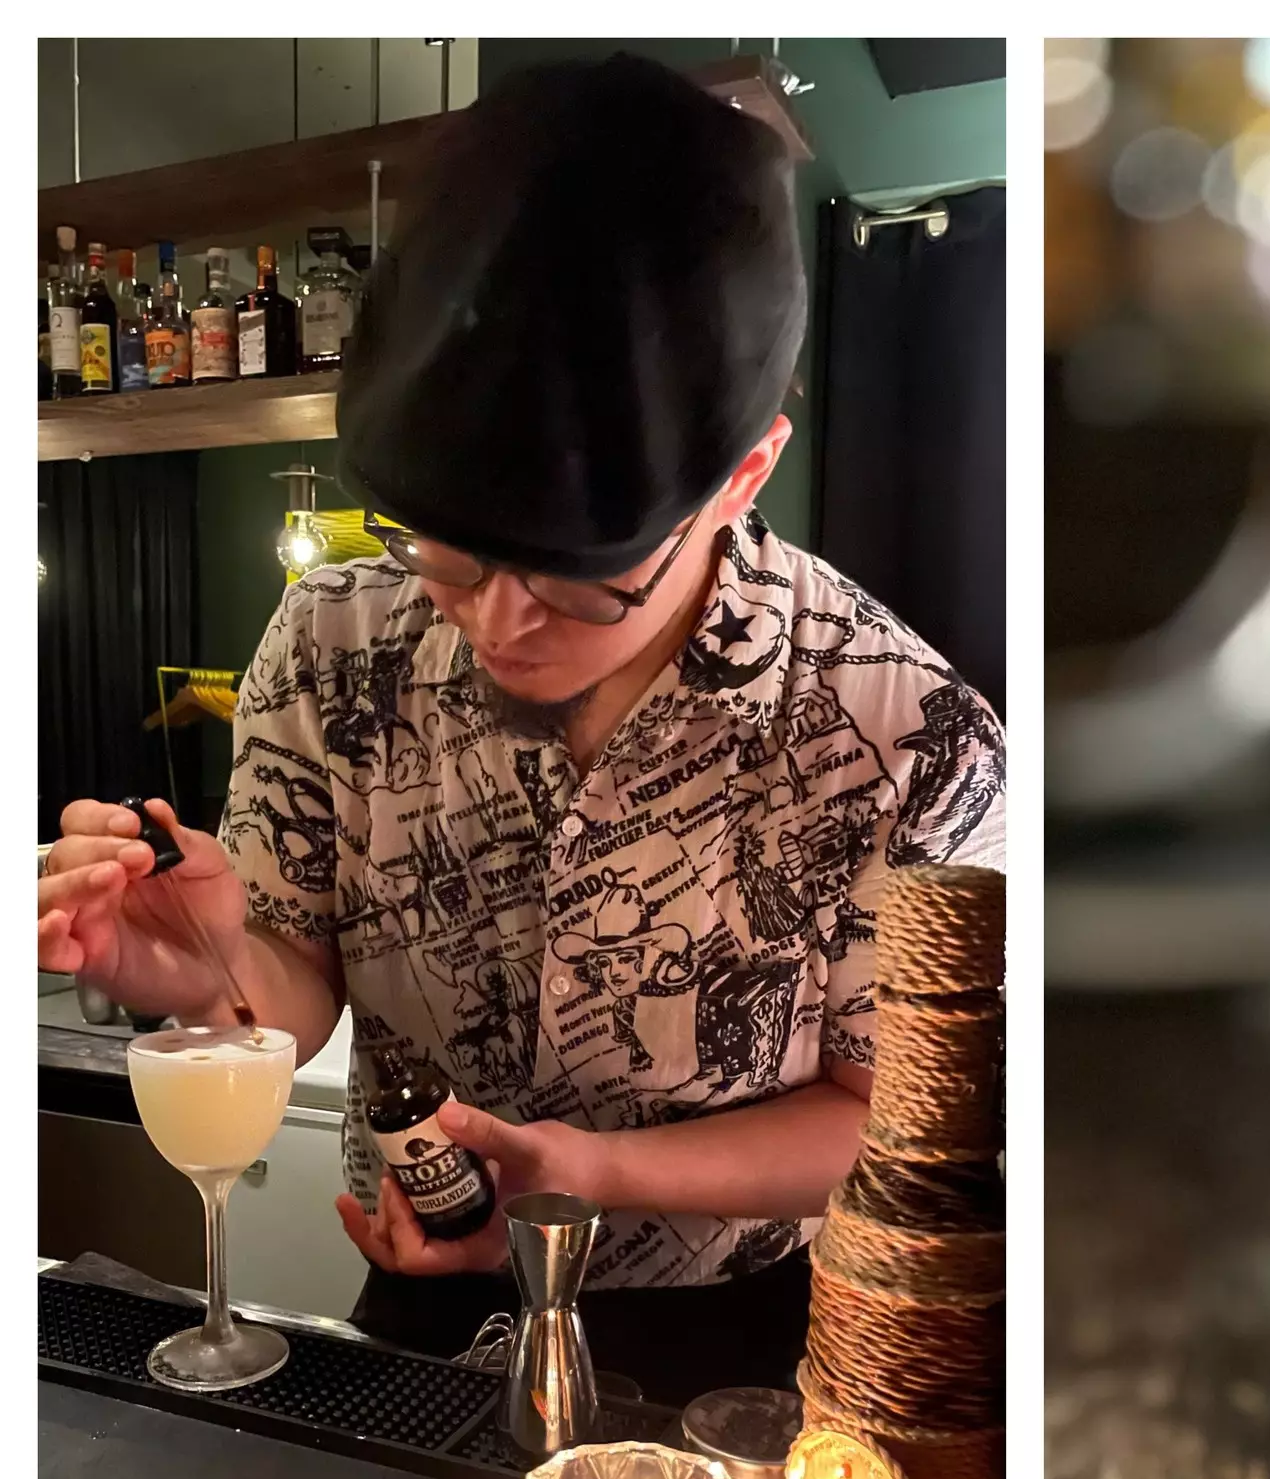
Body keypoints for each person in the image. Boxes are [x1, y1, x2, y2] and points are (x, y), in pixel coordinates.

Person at [35, 54, 1005, 1406]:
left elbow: (876, 1111)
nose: (493, 624)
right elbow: (291, 980)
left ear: (741, 477)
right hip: (420, 1301)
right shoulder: (330, 643)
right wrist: (213, 977)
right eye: (446, 557)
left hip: (726, 1347)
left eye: (569, 580)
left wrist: (585, 1175)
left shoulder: (909, 734)